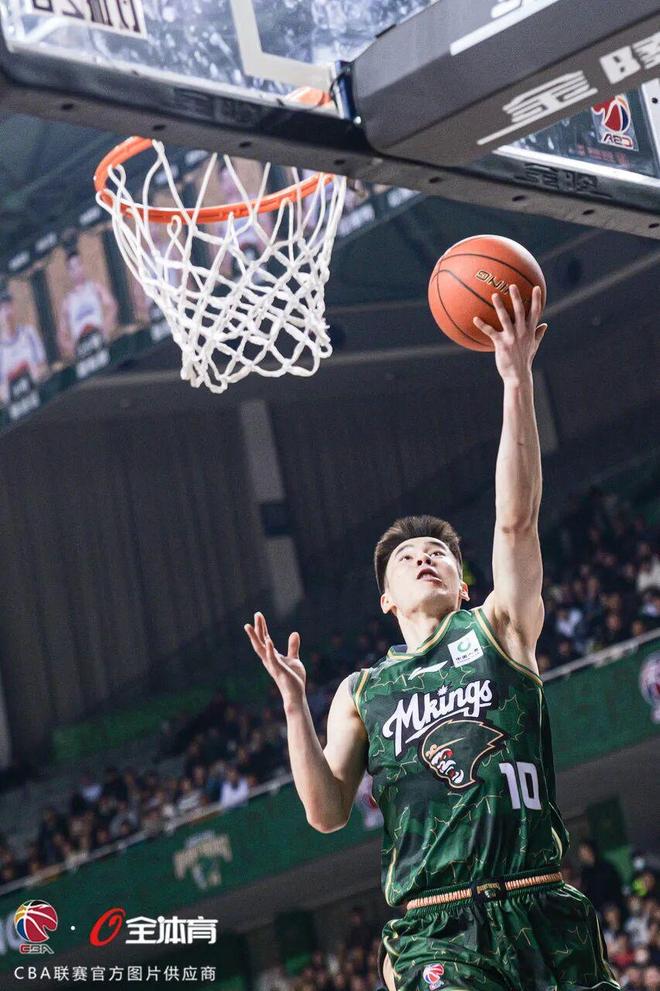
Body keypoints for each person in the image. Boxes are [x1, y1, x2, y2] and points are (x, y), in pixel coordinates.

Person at [245, 285, 619, 991]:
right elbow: (325, 813)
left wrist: (516, 381)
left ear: (463, 583)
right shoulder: (363, 691)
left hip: (541, 903)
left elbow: (516, 520)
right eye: (407, 556)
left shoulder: (500, 628)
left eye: (439, 552)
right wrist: (295, 707)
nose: (424, 557)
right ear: (386, 598)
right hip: (437, 928)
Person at [57, 248, 117, 361]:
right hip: (83, 349)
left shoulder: (95, 287)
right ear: (69, 272)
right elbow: (61, 335)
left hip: (99, 341)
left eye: (78, 265)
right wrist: (73, 348)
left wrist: (105, 328)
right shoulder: (67, 301)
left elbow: (112, 306)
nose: (77, 271)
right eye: (73, 268)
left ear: (83, 266)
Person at [0, 283, 47, 405]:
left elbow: (43, 366)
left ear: (14, 308)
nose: (7, 313)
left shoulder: (29, 333)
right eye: (2, 308)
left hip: (38, 397)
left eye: (9, 306)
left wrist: (32, 376)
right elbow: (2, 391)